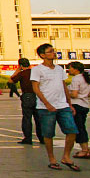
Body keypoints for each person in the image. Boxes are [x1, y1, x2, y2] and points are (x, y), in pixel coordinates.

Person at [31, 43, 80, 171]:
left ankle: (66, 157)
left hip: (62, 105)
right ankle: (52, 159)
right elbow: (35, 88)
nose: (54, 53)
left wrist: (69, 104)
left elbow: (63, 86)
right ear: (42, 55)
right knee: (48, 134)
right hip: (45, 107)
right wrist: (47, 104)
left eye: (53, 51)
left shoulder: (59, 69)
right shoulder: (37, 70)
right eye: (50, 51)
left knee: (72, 130)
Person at [10, 58, 43, 145]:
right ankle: (42, 138)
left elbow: (10, 81)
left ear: (20, 65)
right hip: (38, 96)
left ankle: (28, 138)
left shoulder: (22, 73)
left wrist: (17, 70)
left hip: (27, 96)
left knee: (27, 118)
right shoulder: (35, 73)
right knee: (38, 119)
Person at [67, 61, 90, 160]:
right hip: (85, 105)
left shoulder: (76, 79)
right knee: (81, 127)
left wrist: (66, 94)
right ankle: (86, 148)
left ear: (76, 69)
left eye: (70, 68)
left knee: (78, 128)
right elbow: (89, 94)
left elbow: (74, 94)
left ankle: (84, 150)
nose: (69, 69)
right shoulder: (86, 78)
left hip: (77, 104)